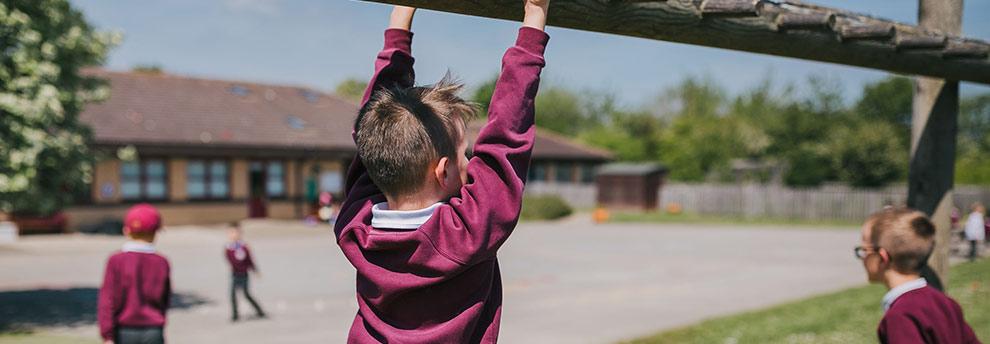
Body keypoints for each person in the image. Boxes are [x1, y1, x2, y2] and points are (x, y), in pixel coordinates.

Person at [333, 1, 550, 342]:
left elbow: (374, 133)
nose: (472, 161)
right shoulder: (465, 233)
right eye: (466, 154)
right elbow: (504, 141)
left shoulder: (355, 227)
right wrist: (535, 17)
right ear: (443, 172)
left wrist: (398, 22)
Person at [856, 208, 980, 344]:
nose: (862, 258)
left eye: (863, 250)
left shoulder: (899, 317)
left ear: (882, 258)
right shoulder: (945, 302)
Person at [98, 204, 171, 344]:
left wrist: (107, 335)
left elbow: (108, 299)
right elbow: (165, 298)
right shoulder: (162, 262)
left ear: (126, 230)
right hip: (153, 330)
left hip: (124, 331)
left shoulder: (116, 260)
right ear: (156, 232)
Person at [225, 221, 266, 321]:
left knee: (246, 294)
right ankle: (235, 314)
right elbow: (229, 260)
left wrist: (255, 270)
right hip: (235, 274)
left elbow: (250, 259)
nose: (233, 235)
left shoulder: (244, 246)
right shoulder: (228, 247)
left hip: (244, 274)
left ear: (239, 233)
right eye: (231, 233)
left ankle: (259, 310)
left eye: (235, 232)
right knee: (232, 294)